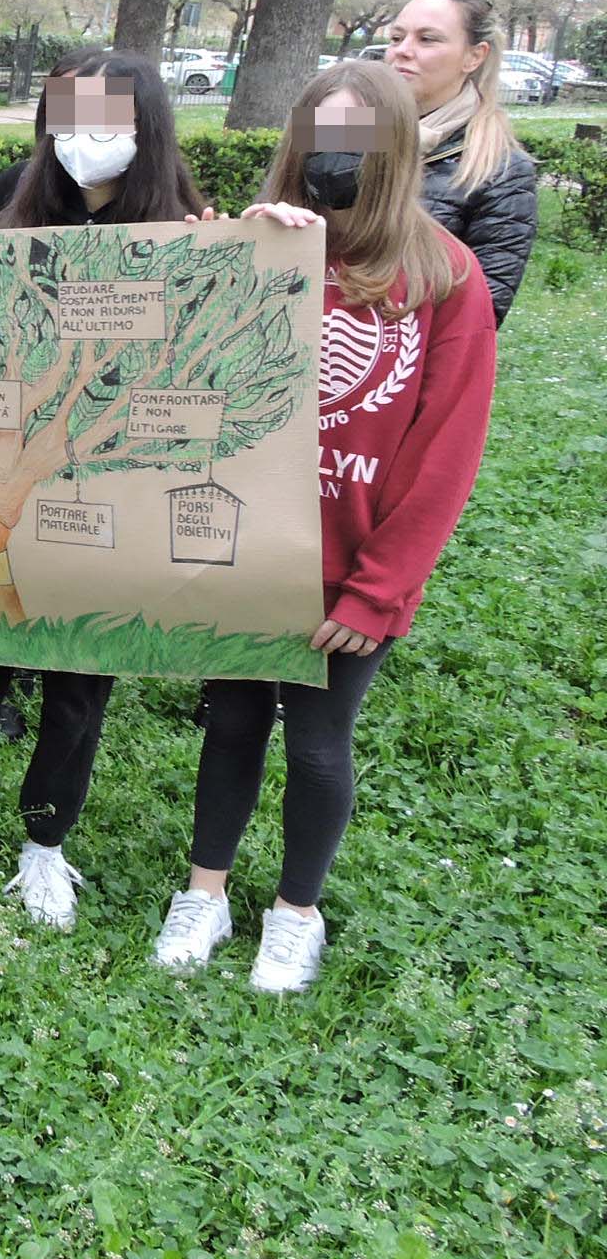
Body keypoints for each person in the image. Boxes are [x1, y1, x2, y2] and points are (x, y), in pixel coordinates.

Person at [153, 59, 496, 992]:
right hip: (247, 554)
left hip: (351, 570)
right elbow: (176, 375)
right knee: (230, 728)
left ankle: (295, 910)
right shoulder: (257, 247)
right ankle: (205, 892)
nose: (332, 158)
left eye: (356, 140)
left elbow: (445, 453)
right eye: (318, 139)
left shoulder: (442, 275)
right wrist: (224, 256)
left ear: (392, 150)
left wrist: (380, 587)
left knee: (316, 741)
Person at [0, 51, 206, 930]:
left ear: (146, 130)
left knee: (80, 675)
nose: (84, 141)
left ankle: (45, 845)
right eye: (69, 119)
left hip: (113, 485)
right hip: (8, 480)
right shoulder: (17, 211)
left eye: (107, 122)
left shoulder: (186, 228)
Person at [381, 0, 537, 324]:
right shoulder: (334, 122)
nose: (402, 51)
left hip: (407, 361)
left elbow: (483, 313)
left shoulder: (504, 168)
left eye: (427, 39)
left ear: (474, 56)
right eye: (396, 38)